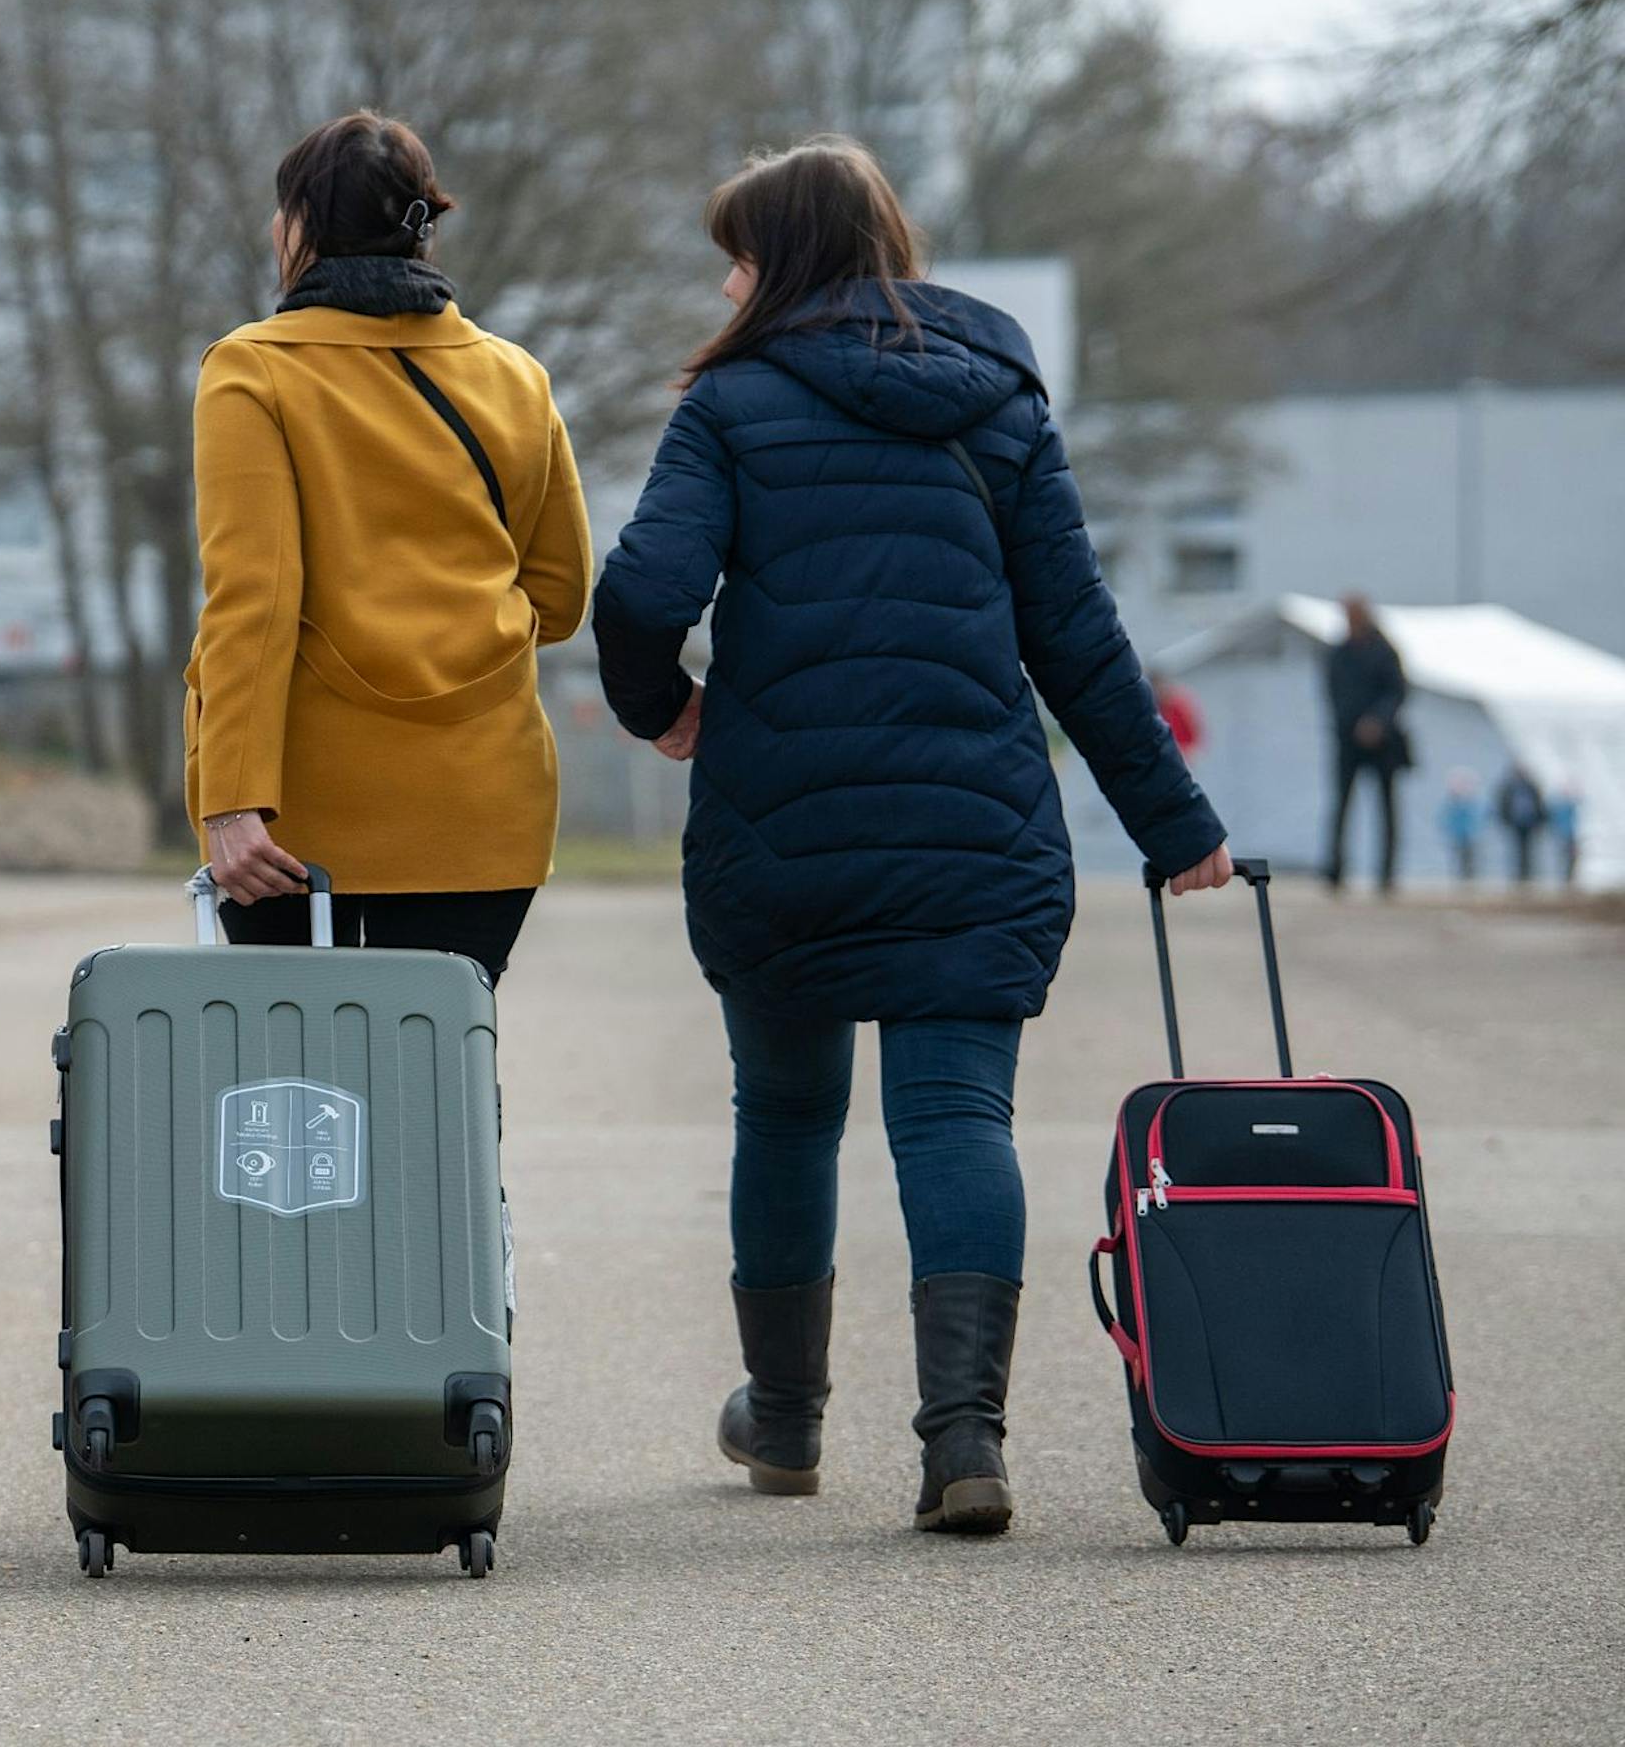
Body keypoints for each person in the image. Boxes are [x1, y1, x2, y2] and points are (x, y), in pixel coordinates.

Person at [592, 136, 1230, 1538]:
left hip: (784, 827)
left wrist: (665, 709)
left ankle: (789, 1423)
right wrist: (1174, 824)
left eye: (739, 254)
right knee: (954, 1116)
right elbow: (1079, 638)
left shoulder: (736, 403)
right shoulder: (998, 406)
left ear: (784, 262)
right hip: (969, 823)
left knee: (789, 1114)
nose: (728, 279)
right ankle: (964, 1443)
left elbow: (640, 588)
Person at [186, 110, 592, 979]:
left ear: (300, 226)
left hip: (298, 819)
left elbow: (253, 601)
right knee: (438, 1084)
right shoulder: (516, 377)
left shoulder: (253, 370)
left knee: (302, 1092)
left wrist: (229, 801)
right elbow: (559, 597)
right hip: (483, 802)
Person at [1324, 594, 1410, 894]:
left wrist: (1377, 721)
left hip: (1382, 742)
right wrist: (1346, 724)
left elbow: (1397, 692)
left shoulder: (1384, 651)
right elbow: (1332, 692)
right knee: (1341, 804)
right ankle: (1335, 870)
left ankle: (1386, 874)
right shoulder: (1339, 652)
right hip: (1348, 740)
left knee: (1386, 807)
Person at [1493, 764, 1547, 884]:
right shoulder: (1509, 788)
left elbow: (1539, 805)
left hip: (1529, 823)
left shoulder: (1531, 787)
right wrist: (1505, 820)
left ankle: (1528, 875)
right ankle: (1518, 876)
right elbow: (1503, 805)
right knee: (1516, 851)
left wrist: (1540, 821)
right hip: (1515, 824)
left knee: (1529, 851)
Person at [1438, 768, 1483, 882]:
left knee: (1470, 859)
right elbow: (1445, 819)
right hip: (1456, 836)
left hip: (1469, 835)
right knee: (1457, 859)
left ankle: (1469, 879)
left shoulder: (1472, 802)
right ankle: (1459, 880)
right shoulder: (1451, 803)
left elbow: (1477, 819)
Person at [1152, 672, 1204, 766]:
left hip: (1185, 754)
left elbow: (1194, 730)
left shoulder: (1179, 705)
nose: (1161, 691)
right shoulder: (1155, 710)